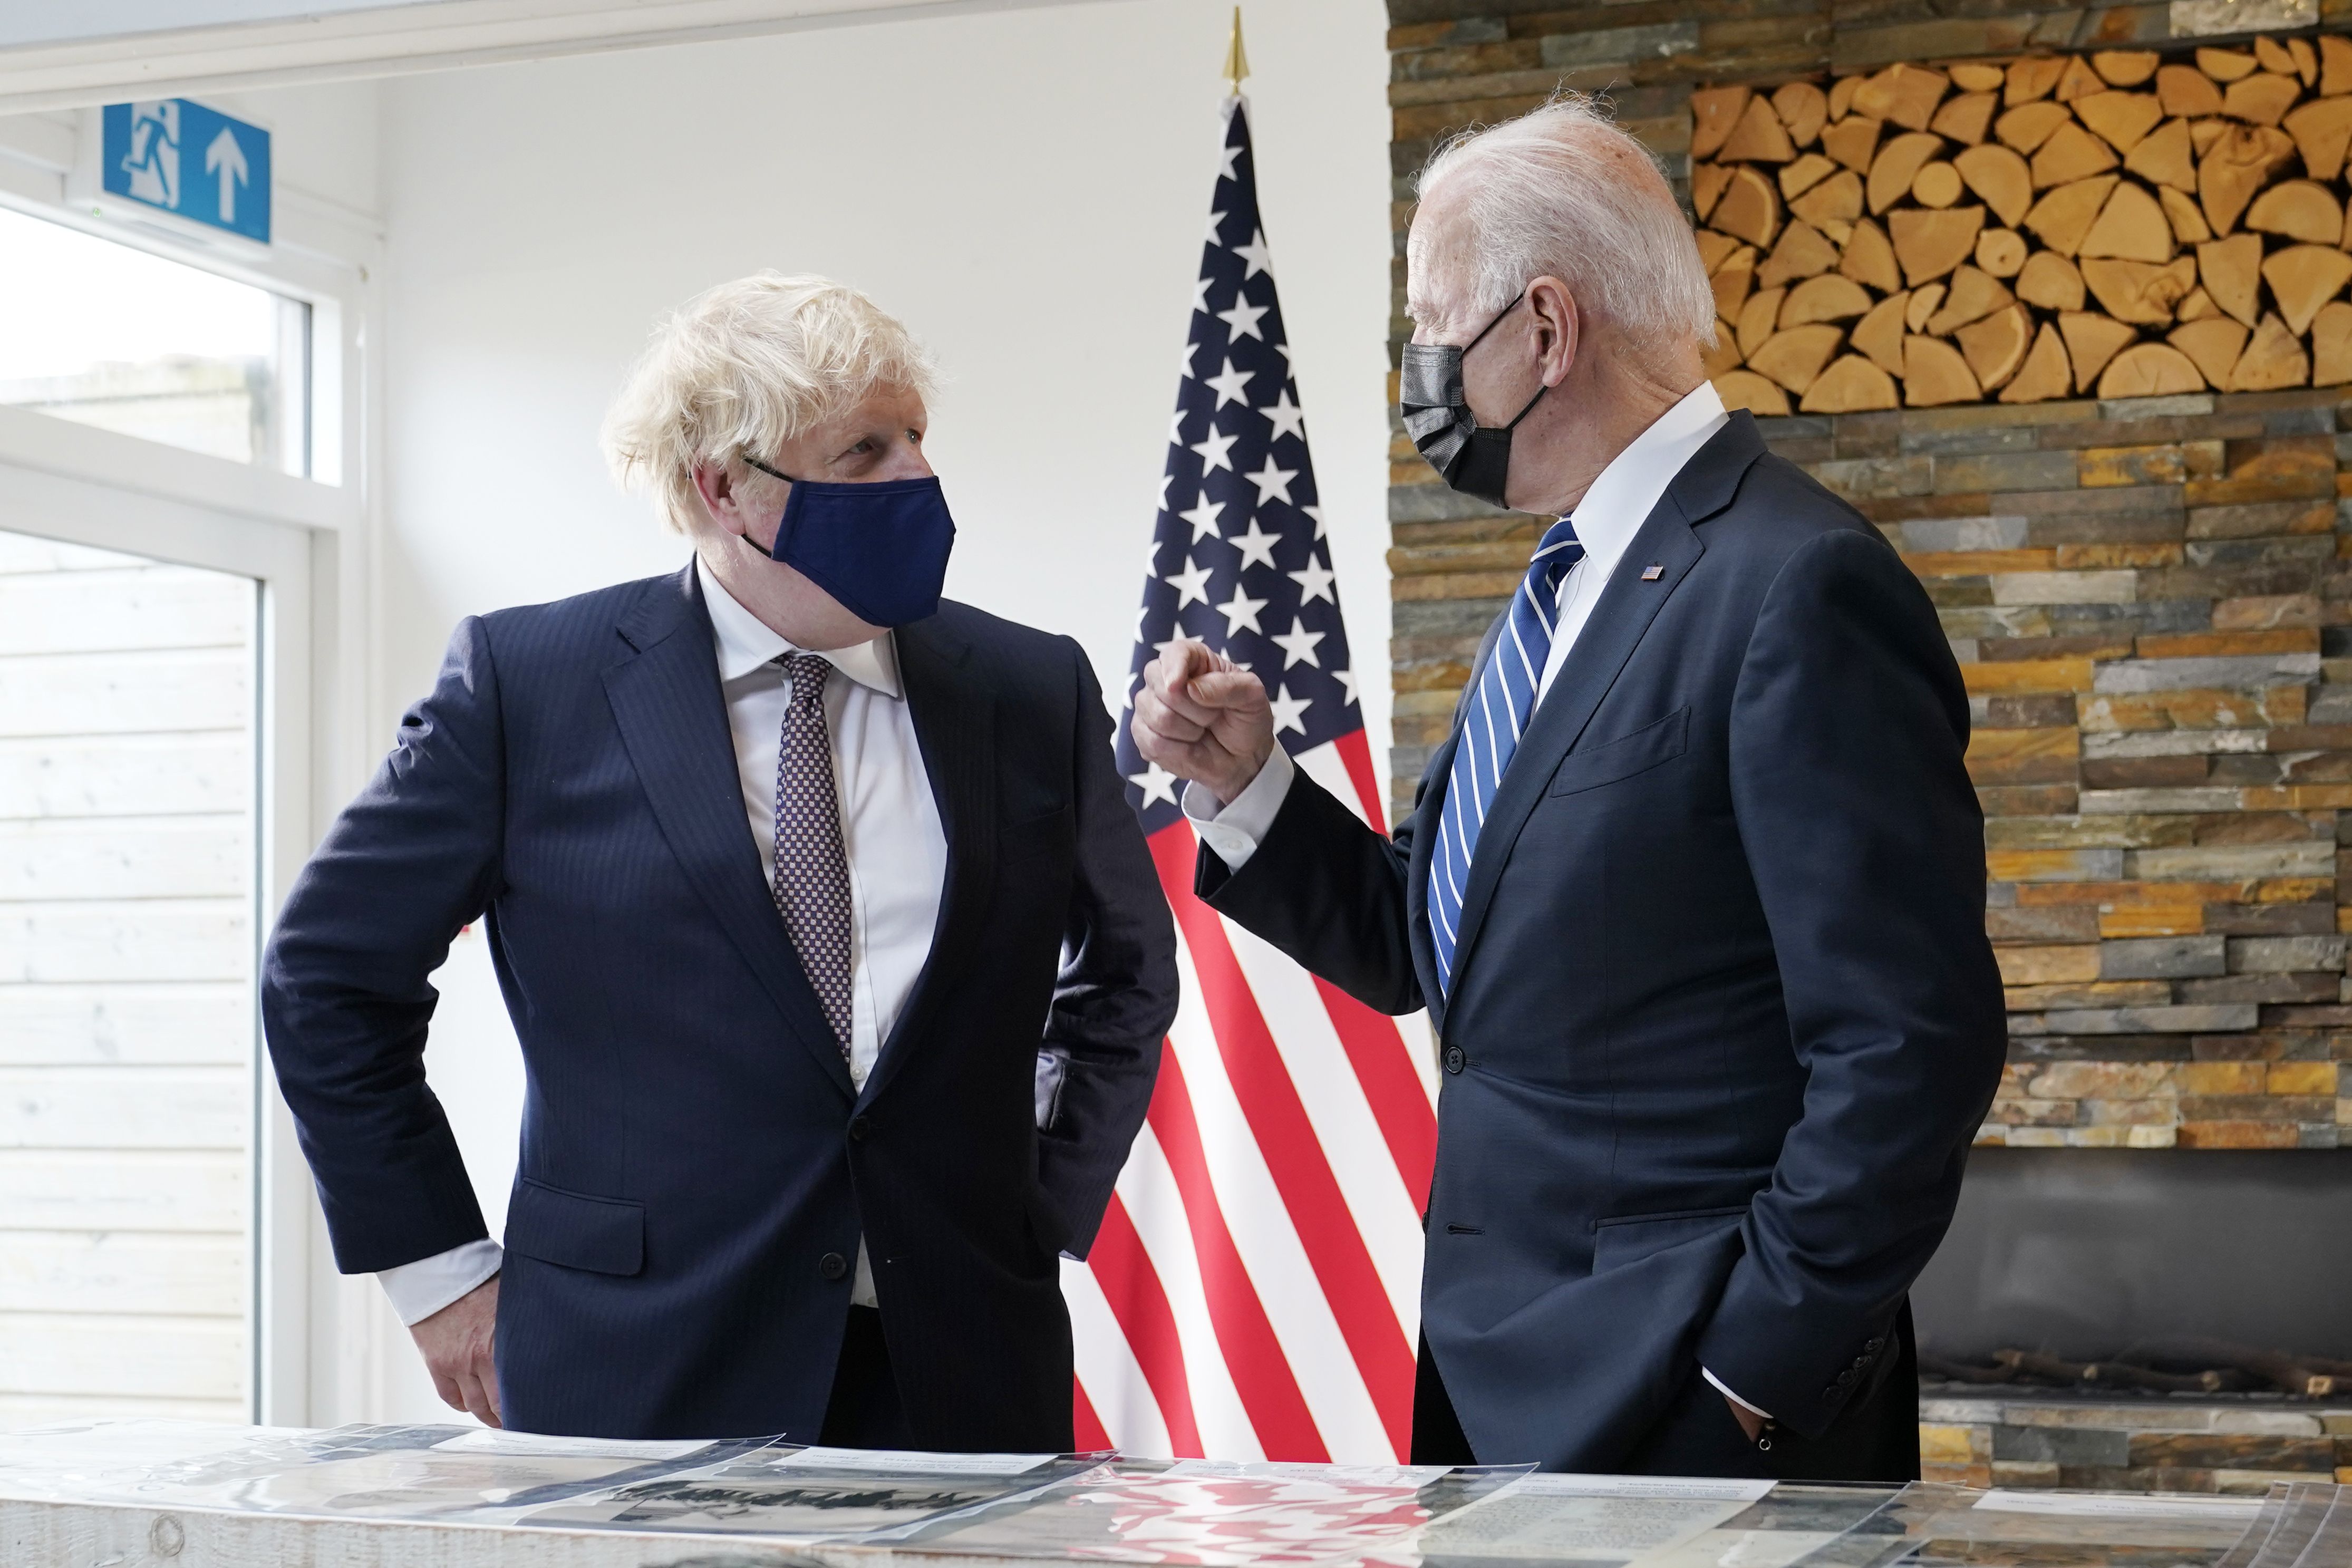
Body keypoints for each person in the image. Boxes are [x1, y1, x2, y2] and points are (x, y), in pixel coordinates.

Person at [1130, 94, 2006, 1479]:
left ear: (1543, 330)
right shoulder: (1566, 584)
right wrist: (1248, 788)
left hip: (1687, 1409)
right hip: (1504, 1386)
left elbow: (1908, 1047)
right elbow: (1439, 943)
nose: (1415, 365)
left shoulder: (1796, 583)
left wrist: (1744, 1375)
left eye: (1429, 323)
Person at [263, 274, 1178, 1446]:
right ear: (724, 486)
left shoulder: (1028, 685)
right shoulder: (527, 684)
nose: (915, 476)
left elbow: (1123, 976)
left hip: (958, 1368)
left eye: (916, 437)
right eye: (863, 451)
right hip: (631, 1369)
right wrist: (437, 1275)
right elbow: (325, 978)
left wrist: (1030, 1205)